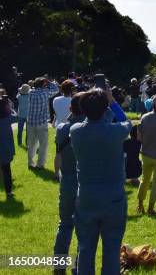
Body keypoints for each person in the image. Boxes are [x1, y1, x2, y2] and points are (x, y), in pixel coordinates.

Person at [70, 88, 131, 275]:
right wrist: (112, 102)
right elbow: (127, 122)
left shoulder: (76, 132)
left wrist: (103, 104)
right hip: (113, 198)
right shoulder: (115, 131)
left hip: (87, 197)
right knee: (112, 250)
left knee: (86, 248)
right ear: (105, 110)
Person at [53, 93, 86, 271]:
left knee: (65, 224)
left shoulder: (62, 129)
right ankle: (79, 267)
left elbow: (58, 152)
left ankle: (59, 267)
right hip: (85, 182)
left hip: (67, 180)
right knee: (85, 229)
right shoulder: (89, 128)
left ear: (70, 108)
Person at [137, 93, 156, 215]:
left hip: (146, 153)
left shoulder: (144, 117)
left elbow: (139, 137)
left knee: (144, 180)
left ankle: (140, 205)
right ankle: (151, 208)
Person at [27, 77, 59, 169]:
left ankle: (30, 163)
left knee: (32, 144)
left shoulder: (30, 92)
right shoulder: (45, 92)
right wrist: (48, 82)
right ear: (44, 85)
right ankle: (40, 164)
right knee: (43, 145)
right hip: (42, 122)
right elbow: (56, 89)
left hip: (31, 122)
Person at [0, 95, 18, 197]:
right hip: (5, 148)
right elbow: (18, 116)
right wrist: (10, 108)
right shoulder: (9, 118)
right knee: (6, 170)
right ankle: (8, 191)